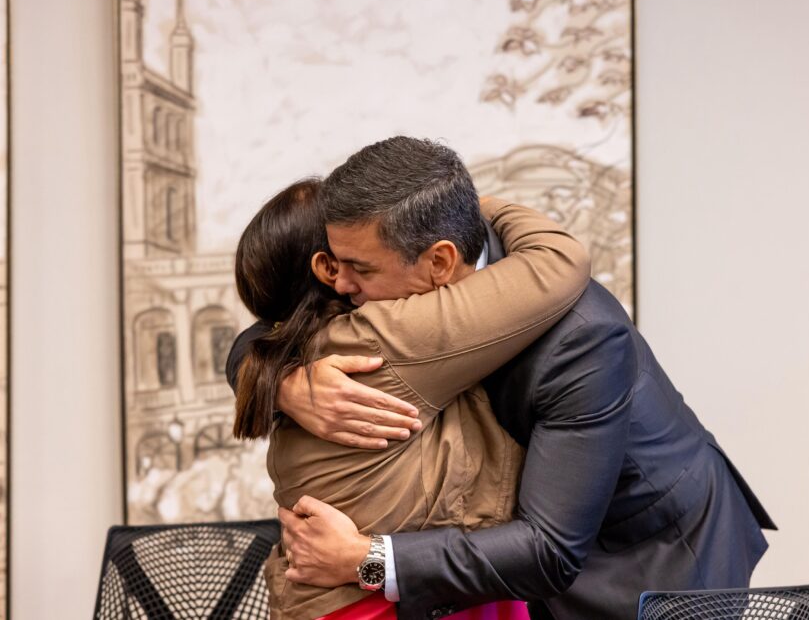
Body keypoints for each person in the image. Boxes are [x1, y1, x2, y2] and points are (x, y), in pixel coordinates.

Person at [229, 137, 777, 620]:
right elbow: (279, 320)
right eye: (330, 268)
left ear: (440, 263)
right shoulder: (406, 264)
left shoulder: (582, 338)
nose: (342, 287)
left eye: (359, 271)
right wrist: (282, 381)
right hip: (509, 557)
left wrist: (367, 559)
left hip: (641, 551)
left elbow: (550, 550)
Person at [231, 174, 591, 619]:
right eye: (355, 255)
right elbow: (559, 260)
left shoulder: (288, 353)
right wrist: (470, 207)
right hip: (374, 604)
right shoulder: (390, 336)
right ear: (328, 268)